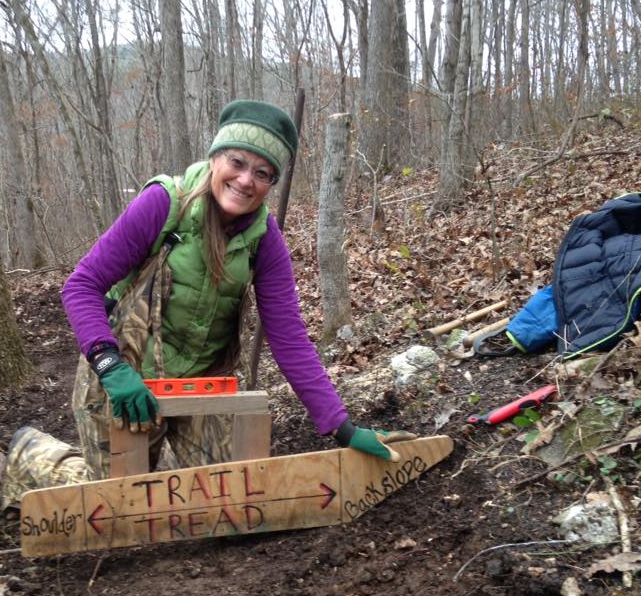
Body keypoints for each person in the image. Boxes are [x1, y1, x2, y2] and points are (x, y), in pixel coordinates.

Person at [61, 99, 412, 478]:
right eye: (238, 162)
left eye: (263, 173)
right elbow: (81, 286)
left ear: (271, 184)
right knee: (117, 509)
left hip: (199, 385)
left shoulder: (265, 241)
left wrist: (342, 427)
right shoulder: (163, 204)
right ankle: (35, 457)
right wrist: (111, 367)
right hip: (124, 379)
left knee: (229, 500)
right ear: (215, 159)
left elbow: (289, 338)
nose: (246, 180)